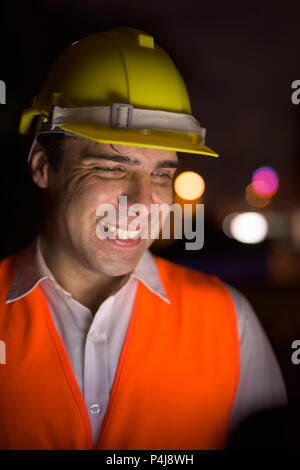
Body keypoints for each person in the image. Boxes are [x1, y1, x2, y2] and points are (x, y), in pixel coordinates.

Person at [0, 27, 287, 450]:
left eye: (161, 174)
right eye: (111, 168)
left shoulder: (230, 321)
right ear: (43, 166)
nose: (142, 201)